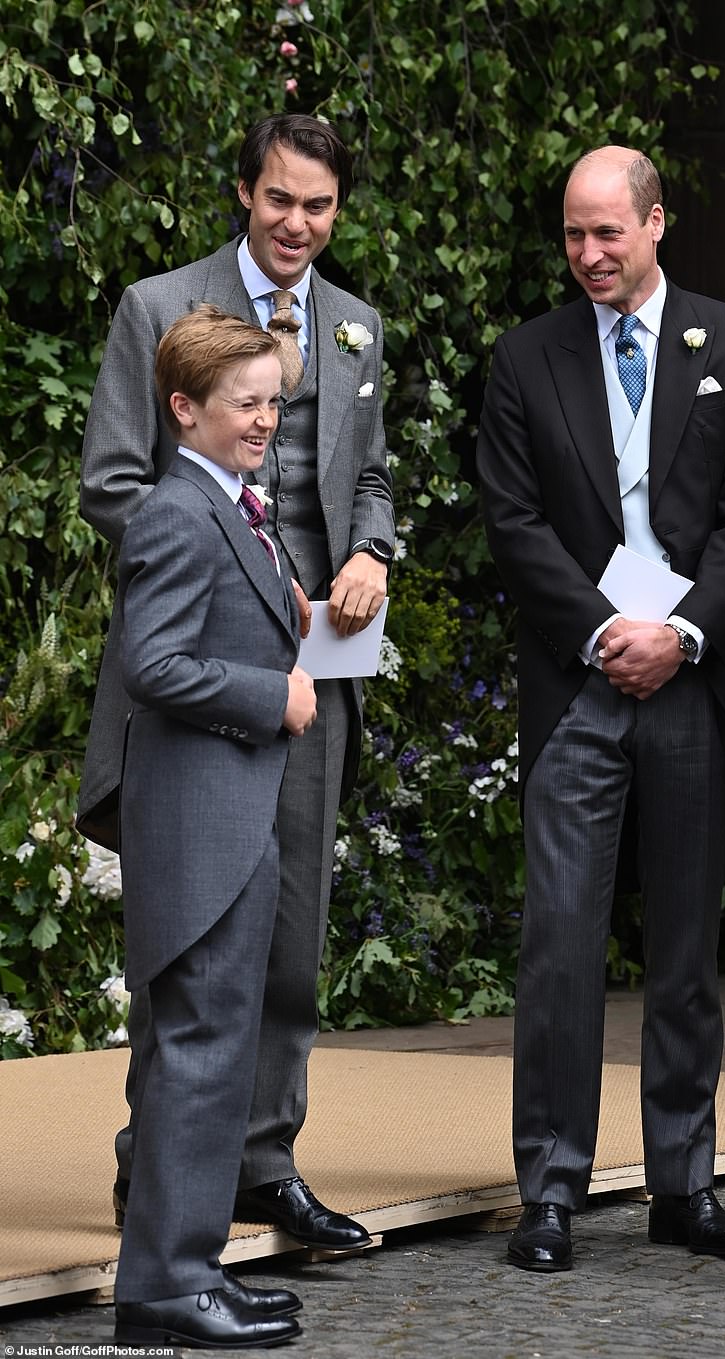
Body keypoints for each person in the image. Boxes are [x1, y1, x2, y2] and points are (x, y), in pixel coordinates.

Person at [78, 113, 394, 1251]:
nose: (297, 223)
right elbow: (113, 485)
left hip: (315, 676)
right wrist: (241, 572)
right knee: (191, 944)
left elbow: (376, 481)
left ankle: (263, 1165)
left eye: (318, 206)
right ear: (245, 193)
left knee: (290, 939)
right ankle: (157, 1182)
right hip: (195, 671)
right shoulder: (159, 309)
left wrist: (369, 549)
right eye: (279, 199)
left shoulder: (355, 328)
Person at [476, 145, 725, 1271]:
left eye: (607, 232)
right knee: (557, 946)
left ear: (656, 225)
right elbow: (512, 522)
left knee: (685, 951)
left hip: (692, 684)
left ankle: (681, 1185)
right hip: (577, 686)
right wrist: (604, 633)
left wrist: (681, 633)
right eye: (571, 234)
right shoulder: (524, 358)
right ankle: (550, 1190)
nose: (587, 255)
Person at [112, 306, 311, 1347]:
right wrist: (267, 691)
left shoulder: (229, 504)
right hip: (199, 817)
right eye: (246, 403)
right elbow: (152, 664)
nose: (266, 420)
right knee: (195, 1051)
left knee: (212, 1050)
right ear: (184, 409)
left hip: (228, 817)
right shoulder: (172, 513)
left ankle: (190, 1265)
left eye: (274, 401)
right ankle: (162, 1288)